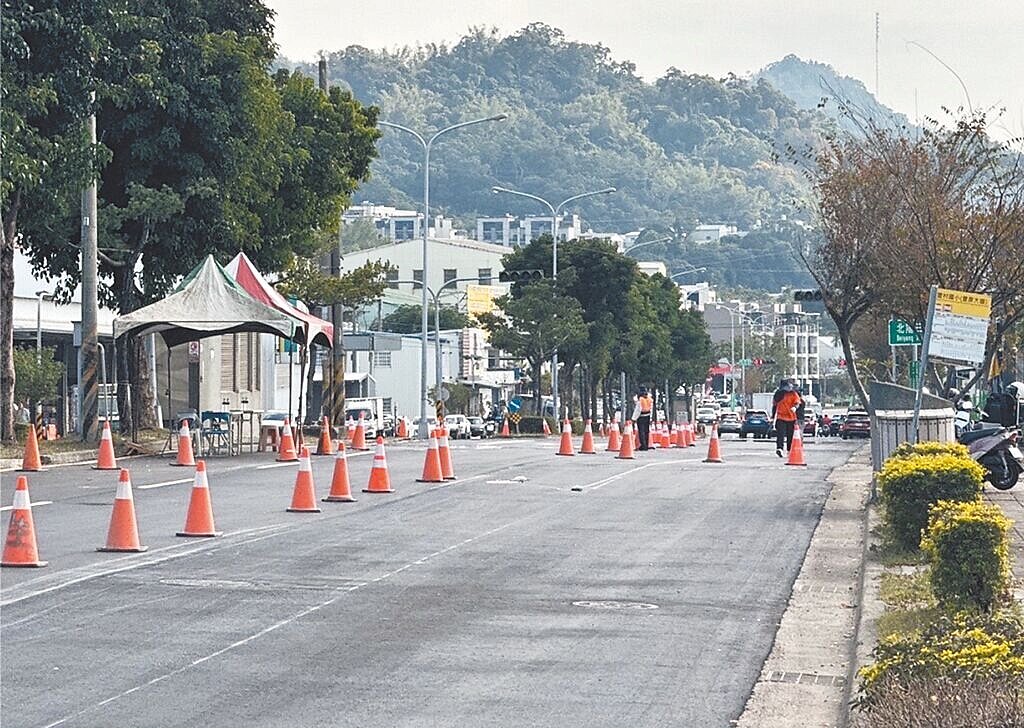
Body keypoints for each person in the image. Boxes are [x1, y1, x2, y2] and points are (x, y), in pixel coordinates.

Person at [771, 379, 803, 457]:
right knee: (780, 434)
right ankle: (780, 448)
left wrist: (795, 407)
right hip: (781, 417)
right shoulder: (778, 395)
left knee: (790, 435)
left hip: (791, 417)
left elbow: (797, 403)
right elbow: (774, 405)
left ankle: (789, 450)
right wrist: (773, 416)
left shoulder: (793, 394)